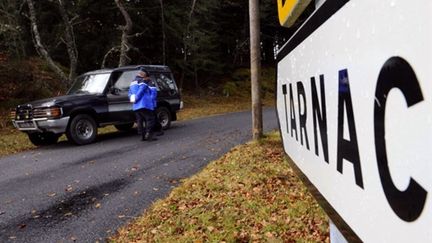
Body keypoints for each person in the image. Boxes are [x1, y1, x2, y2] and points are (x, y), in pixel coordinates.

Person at [128, 68, 158, 141]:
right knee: (150, 119)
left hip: (136, 105)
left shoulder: (132, 83)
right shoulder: (143, 81)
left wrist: (133, 99)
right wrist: (137, 98)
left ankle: (142, 136)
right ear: (143, 74)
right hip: (144, 104)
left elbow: (129, 93)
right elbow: (141, 90)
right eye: (145, 75)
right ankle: (149, 134)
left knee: (139, 120)